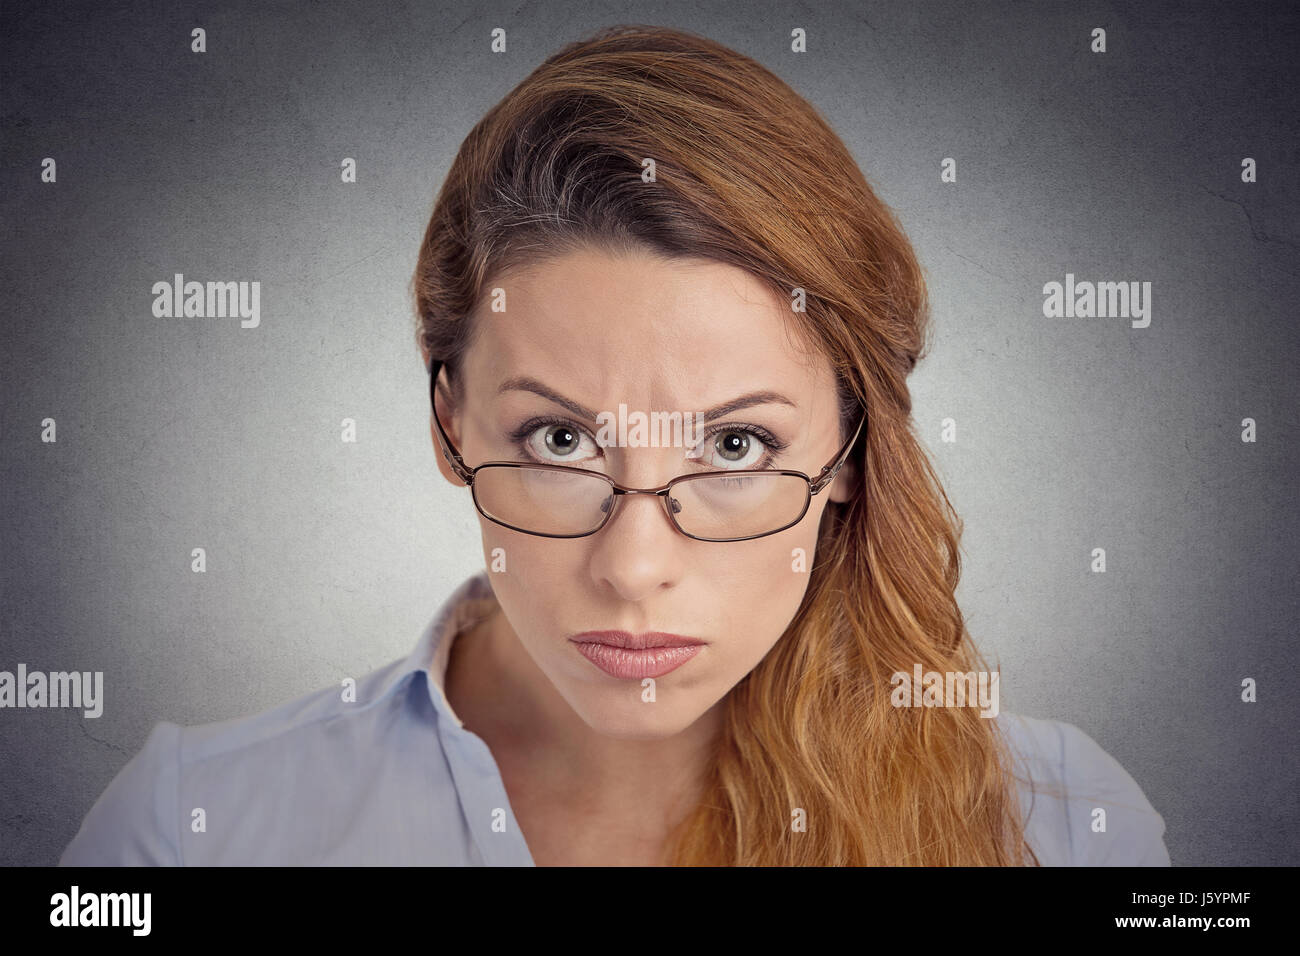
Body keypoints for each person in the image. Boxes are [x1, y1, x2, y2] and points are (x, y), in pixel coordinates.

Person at [60, 24, 1169, 866]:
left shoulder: (1065, 828)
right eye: (557, 437)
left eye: (736, 443)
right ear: (448, 419)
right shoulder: (189, 834)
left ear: (850, 450)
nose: (634, 568)